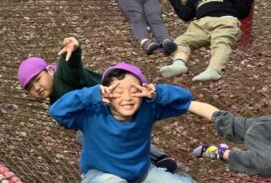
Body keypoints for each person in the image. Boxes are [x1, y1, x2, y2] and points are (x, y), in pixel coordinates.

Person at [49, 62, 198, 183]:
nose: (127, 98)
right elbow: (56, 111)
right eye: (118, 92)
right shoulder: (92, 113)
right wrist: (92, 93)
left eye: (134, 91)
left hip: (142, 174)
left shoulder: (148, 108)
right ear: (106, 94)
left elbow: (185, 98)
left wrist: (157, 92)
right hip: (102, 175)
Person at [17, 36, 179, 172]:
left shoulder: (62, 76)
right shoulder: (54, 100)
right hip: (102, 114)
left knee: (95, 134)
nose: (37, 88)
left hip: (115, 101)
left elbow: (71, 67)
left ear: (50, 71)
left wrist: (73, 50)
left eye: (38, 79)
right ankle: (147, 161)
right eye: (30, 88)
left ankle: (157, 159)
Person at [160, 0, 256, 82]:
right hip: (200, 26)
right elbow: (185, 15)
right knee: (182, 40)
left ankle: (214, 70)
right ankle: (178, 64)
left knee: (222, 41)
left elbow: (243, 12)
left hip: (224, 22)